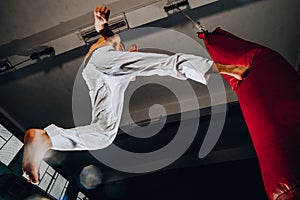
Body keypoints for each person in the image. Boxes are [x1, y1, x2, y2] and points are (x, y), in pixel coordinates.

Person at [22, 6, 249, 184]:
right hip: (100, 65)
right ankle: (224, 68)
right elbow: (111, 38)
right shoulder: (112, 47)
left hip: (98, 78)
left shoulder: (121, 65)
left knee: (105, 134)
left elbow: (126, 71)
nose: (129, 55)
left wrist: (130, 65)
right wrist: (102, 27)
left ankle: (46, 139)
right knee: (163, 63)